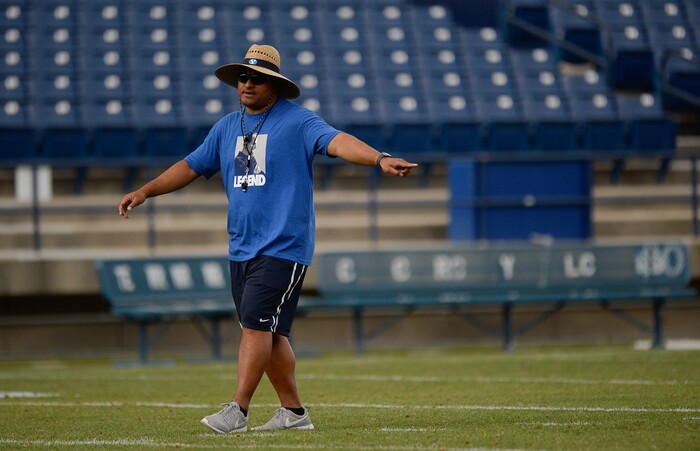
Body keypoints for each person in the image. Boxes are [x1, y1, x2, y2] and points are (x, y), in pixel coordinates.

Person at [117, 44, 417, 433]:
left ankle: (237, 411)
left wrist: (379, 158)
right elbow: (190, 166)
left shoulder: (299, 121)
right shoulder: (227, 126)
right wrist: (145, 191)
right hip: (241, 246)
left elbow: (338, 141)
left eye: (257, 77)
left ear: (274, 84)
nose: (247, 83)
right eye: (243, 76)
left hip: (283, 246)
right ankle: (293, 414)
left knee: (255, 329)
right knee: (269, 333)